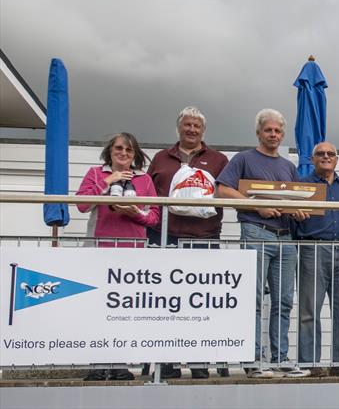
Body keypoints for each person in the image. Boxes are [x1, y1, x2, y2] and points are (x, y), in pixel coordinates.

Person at [216, 109, 308, 378]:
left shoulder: (288, 166)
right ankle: (253, 360)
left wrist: (300, 210)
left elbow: (294, 202)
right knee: (253, 300)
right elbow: (222, 189)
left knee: (284, 301)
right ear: (259, 132)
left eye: (278, 131)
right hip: (256, 232)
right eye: (268, 130)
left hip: (285, 238)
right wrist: (257, 206)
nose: (273, 135)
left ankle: (280, 357)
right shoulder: (244, 158)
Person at [145, 106, 229, 379]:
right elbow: (148, 192)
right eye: (187, 125)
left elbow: (225, 192)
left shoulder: (218, 159)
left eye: (197, 126)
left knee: (202, 303)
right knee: (166, 302)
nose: (192, 130)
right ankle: (167, 361)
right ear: (179, 128)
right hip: (165, 238)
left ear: (203, 131)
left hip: (204, 239)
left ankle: (199, 361)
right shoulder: (160, 158)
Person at [77, 132, 160, 381]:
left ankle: (120, 364)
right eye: (119, 148)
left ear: (135, 154)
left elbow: (154, 216)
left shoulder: (144, 179)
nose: (123, 153)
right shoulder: (95, 173)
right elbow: (81, 204)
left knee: (124, 309)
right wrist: (108, 181)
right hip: (99, 249)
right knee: (98, 308)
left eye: (129, 150)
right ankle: (98, 363)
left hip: (132, 252)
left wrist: (135, 213)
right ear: (110, 151)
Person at [294, 142, 339, 377]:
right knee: (309, 309)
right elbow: (294, 220)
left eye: (331, 153)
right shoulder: (302, 186)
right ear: (312, 159)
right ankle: (310, 362)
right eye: (320, 154)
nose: (326, 156)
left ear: (337, 159)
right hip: (313, 249)